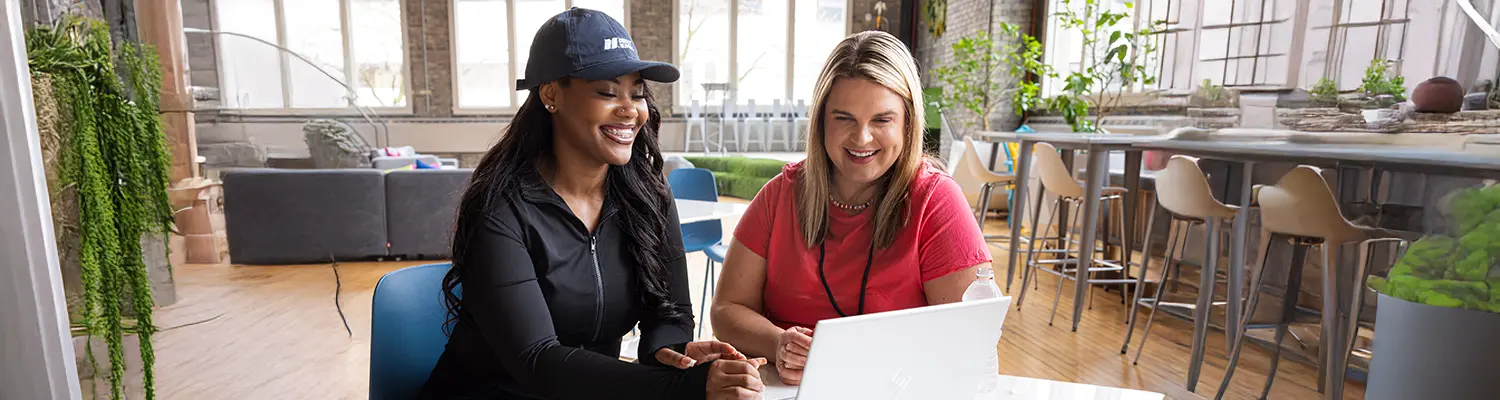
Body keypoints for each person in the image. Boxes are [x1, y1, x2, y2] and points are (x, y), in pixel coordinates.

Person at [420, 8, 765, 400]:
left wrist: (669, 351)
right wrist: (685, 387)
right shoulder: (501, 209)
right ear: (551, 94)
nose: (630, 109)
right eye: (607, 92)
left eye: (637, 93)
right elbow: (537, 361)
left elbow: (669, 312)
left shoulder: (648, 197)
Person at [709, 31, 993, 386]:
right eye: (844, 118)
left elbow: (967, 339)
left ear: (907, 122)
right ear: (822, 120)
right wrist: (779, 342)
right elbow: (727, 309)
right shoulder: (779, 195)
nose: (861, 138)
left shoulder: (936, 201)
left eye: (882, 120)